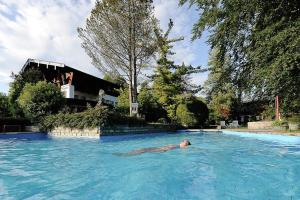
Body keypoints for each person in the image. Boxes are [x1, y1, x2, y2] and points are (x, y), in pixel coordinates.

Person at [115, 139, 191, 156]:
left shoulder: (179, 147)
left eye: (184, 142)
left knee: (143, 150)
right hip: (159, 149)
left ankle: (126, 154)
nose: (182, 142)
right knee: (143, 150)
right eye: (183, 142)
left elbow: (167, 148)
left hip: (160, 149)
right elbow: (167, 147)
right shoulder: (177, 146)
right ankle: (126, 154)